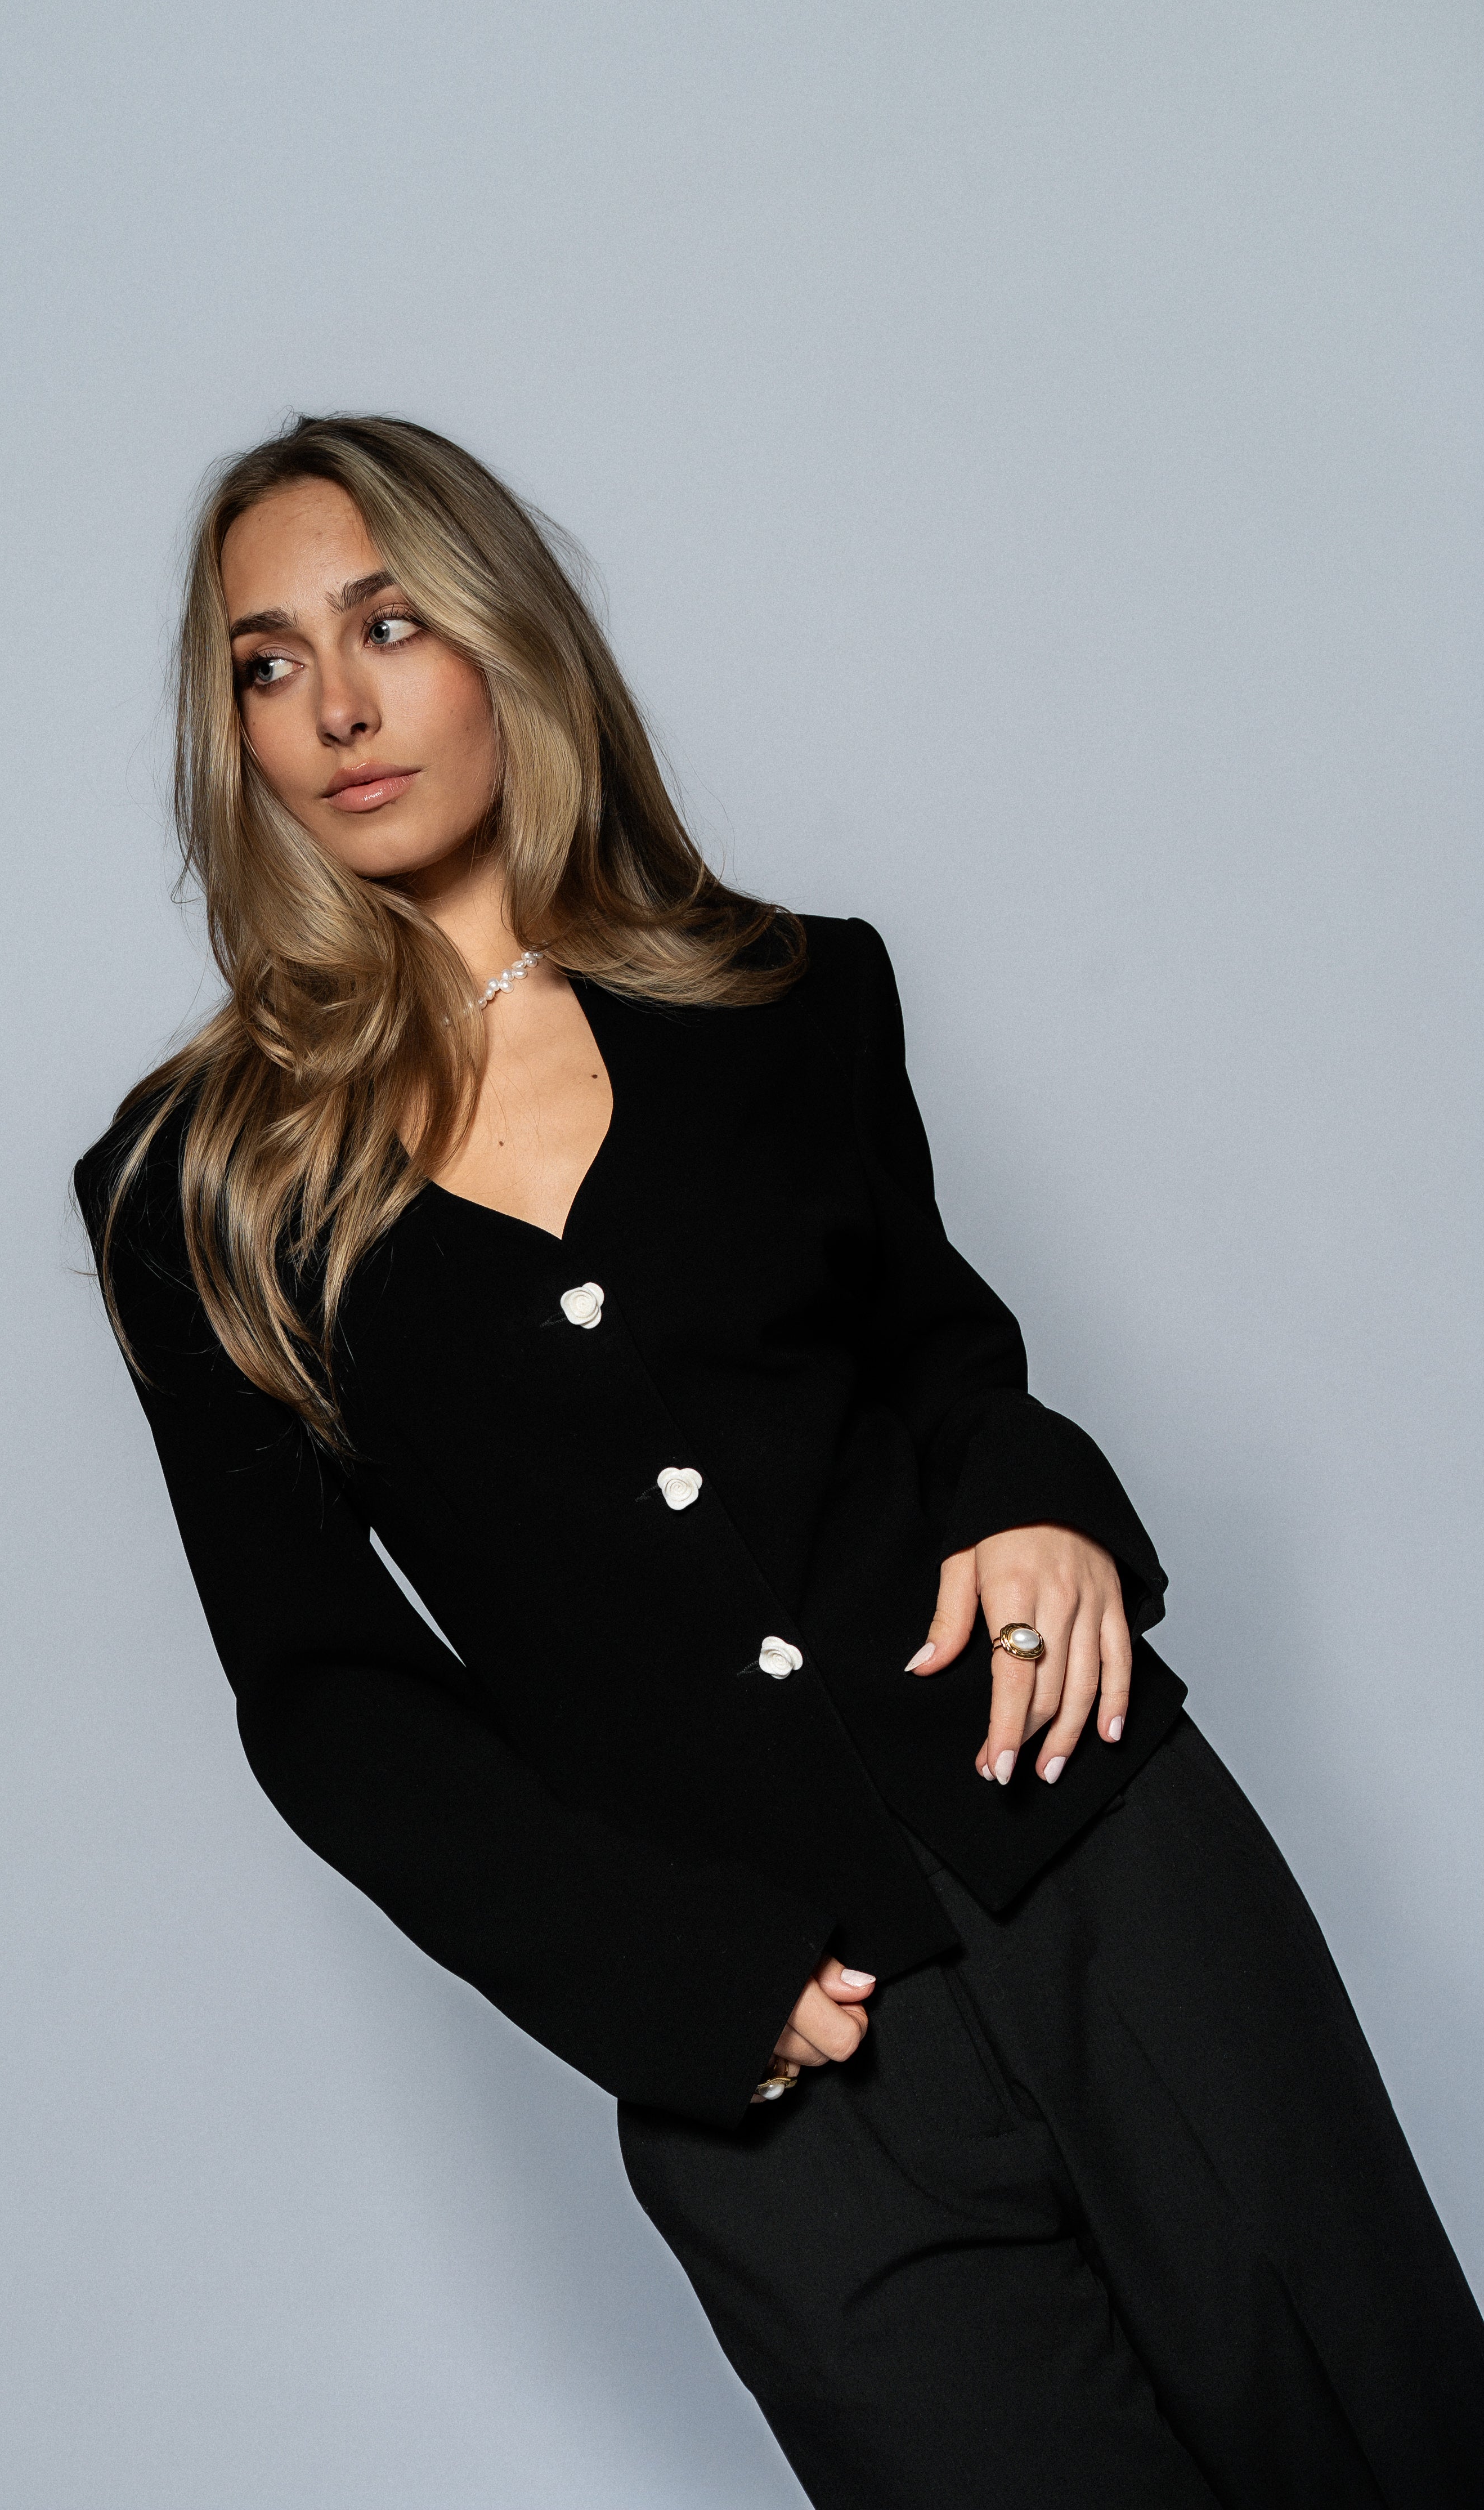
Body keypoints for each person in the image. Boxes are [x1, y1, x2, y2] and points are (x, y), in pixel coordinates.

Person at [75, 414, 1482, 2509]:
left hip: (1110, 1877)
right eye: (269, 663)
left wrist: (1040, 1503)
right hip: (773, 2058)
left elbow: (941, 1359)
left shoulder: (788, 993)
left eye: (390, 624)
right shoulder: (190, 1189)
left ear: (503, 641)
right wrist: (665, 1980)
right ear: (237, 734)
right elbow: (324, 1693)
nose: (340, 707)